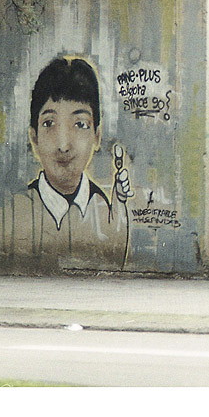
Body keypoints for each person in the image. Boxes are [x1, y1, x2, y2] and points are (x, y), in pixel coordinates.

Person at [25, 57, 133, 267]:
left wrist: (118, 235)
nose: (63, 145)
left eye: (80, 124)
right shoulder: (17, 207)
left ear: (97, 136)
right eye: (49, 123)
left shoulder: (105, 210)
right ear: (34, 138)